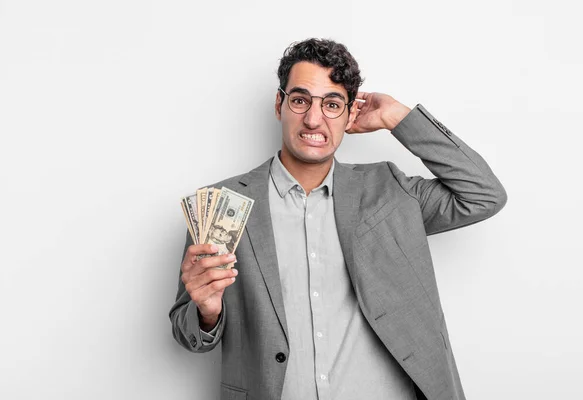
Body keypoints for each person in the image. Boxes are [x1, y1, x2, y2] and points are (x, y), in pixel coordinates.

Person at [169, 38, 507, 400]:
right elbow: (186, 332)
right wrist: (207, 312)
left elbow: (483, 194)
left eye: (332, 104)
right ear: (279, 104)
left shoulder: (390, 190)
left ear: (350, 114)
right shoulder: (222, 204)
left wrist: (398, 117)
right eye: (300, 100)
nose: (313, 119)